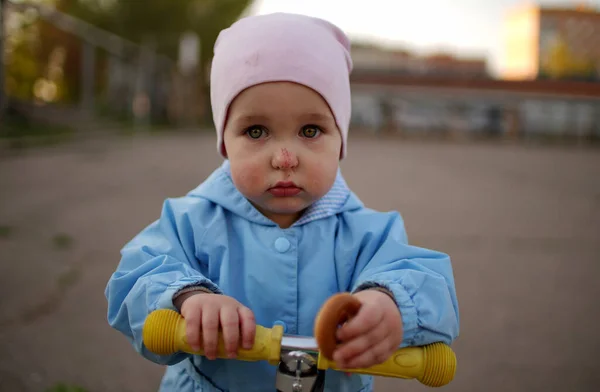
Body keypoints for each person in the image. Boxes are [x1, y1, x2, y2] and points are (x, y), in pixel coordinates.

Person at [105, 12, 459, 392]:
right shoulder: (190, 220)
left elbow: (428, 284)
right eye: (256, 131)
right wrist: (186, 298)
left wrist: (390, 306)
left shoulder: (371, 232)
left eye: (311, 130)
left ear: (341, 139)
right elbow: (135, 279)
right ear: (225, 141)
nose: (285, 158)